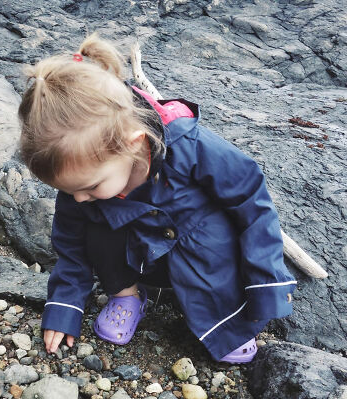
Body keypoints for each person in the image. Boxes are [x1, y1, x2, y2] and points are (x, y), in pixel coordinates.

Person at [17, 33, 296, 363]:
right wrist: (64, 306)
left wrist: (265, 283)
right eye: (68, 190)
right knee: (93, 224)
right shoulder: (85, 183)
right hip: (139, 255)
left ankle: (225, 322)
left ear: (132, 144)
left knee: (214, 246)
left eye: (89, 187)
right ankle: (126, 294)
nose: (78, 198)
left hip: (194, 242)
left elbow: (252, 204)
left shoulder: (188, 146)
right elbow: (71, 244)